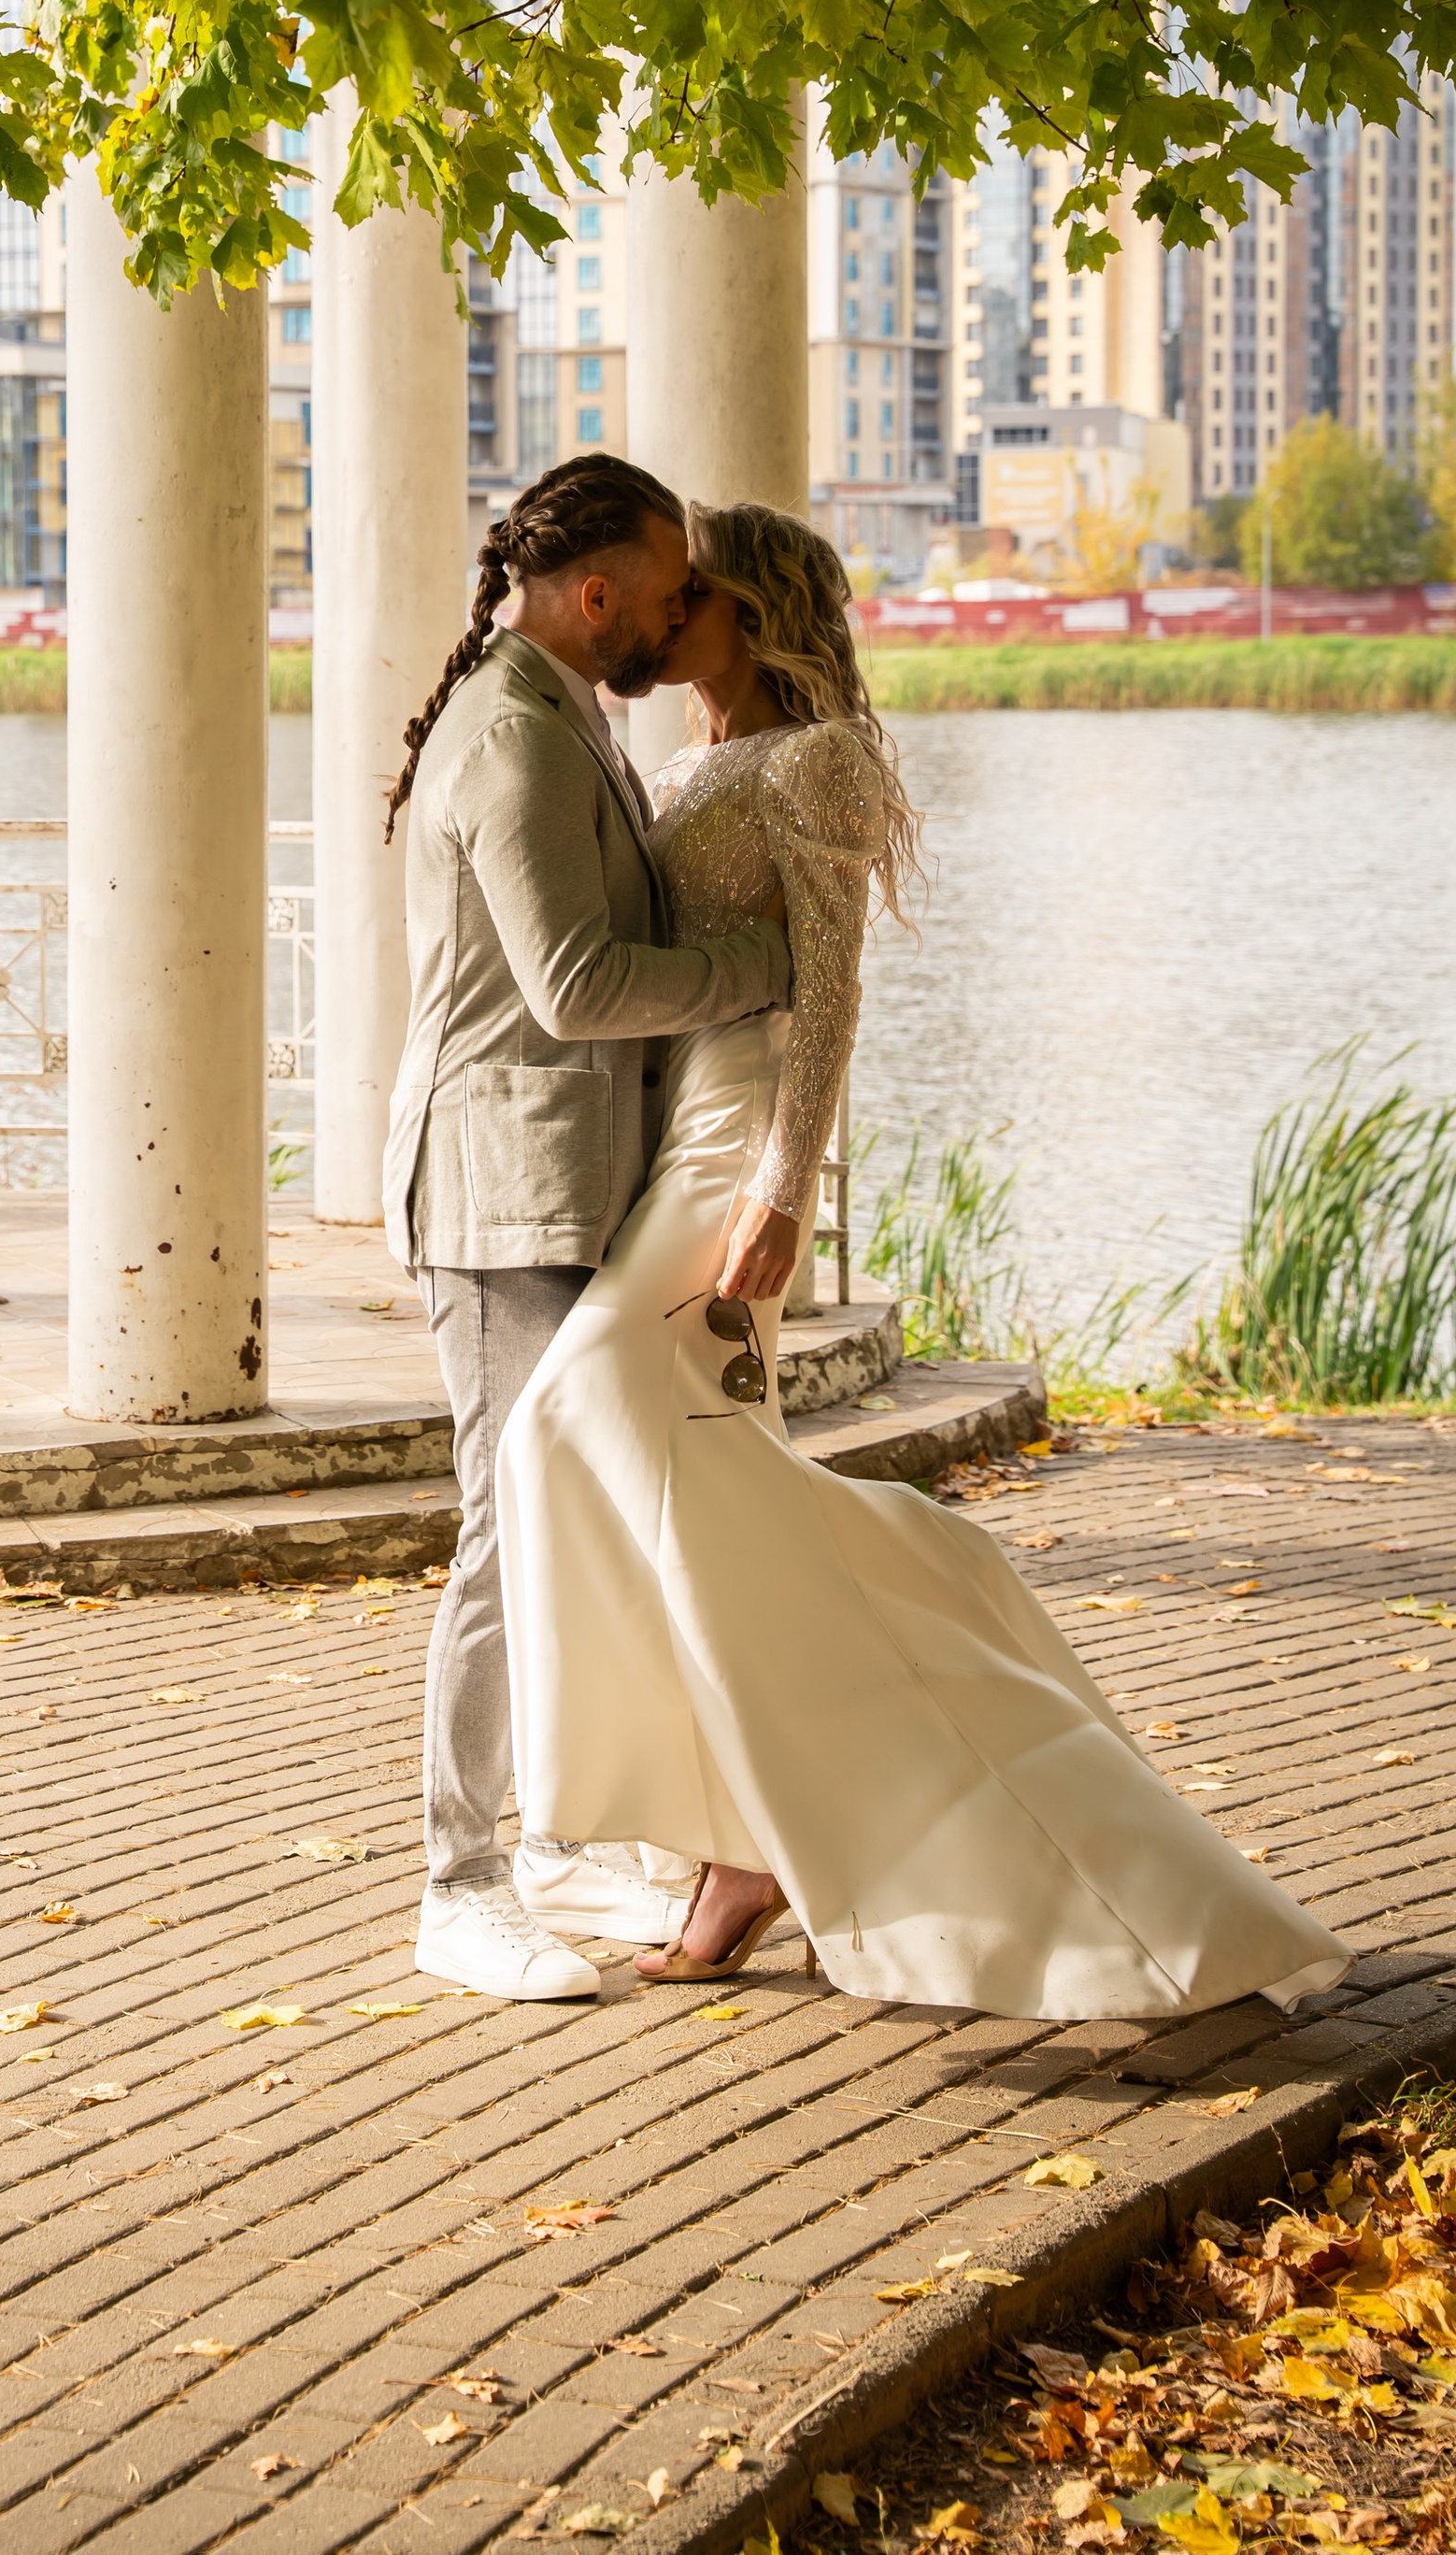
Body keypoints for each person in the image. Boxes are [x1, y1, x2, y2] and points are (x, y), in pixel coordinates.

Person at [493, 501, 1349, 2019]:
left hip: (734, 1145)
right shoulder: (687, 755)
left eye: (694, 595)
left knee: (579, 1418)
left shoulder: (810, 758)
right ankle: (741, 1842)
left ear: (753, 609)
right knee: (662, 1469)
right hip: (671, 1133)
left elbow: (830, 996)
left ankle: (844, 1698)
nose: (666, 614)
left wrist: (786, 1190)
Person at [383, 455, 795, 2005]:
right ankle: (458, 1882)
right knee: (505, 1531)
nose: (684, 611)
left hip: (574, 1188)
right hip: (501, 1197)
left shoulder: (575, 716)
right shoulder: (514, 735)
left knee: (588, 1525)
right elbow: (574, 987)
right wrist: (763, 964)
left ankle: (568, 1839)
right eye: (672, 584)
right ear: (600, 592)